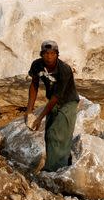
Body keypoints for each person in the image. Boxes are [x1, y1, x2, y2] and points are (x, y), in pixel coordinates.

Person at [26, 41, 80, 172]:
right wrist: (29, 111)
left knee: (58, 134)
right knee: (48, 135)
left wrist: (39, 118)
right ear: (41, 54)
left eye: (52, 54)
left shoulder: (64, 69)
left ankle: (54, 170)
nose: (49, 57)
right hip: (53, 100)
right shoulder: (37, 65)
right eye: (46, 54)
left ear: (57, 55)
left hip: (68, 102)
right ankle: (61, 164)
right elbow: (34, 85)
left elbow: (56, 97)